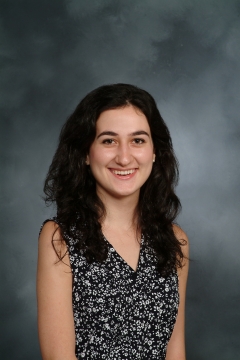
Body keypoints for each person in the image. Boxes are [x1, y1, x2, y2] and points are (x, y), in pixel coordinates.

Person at [37, 83, 189, 360]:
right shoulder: (59, 238)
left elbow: (175, 350)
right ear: (85, 152)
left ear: (155, 152)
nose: (123, 157)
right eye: (108, 140)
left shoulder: (175, 240)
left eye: (138, 140)